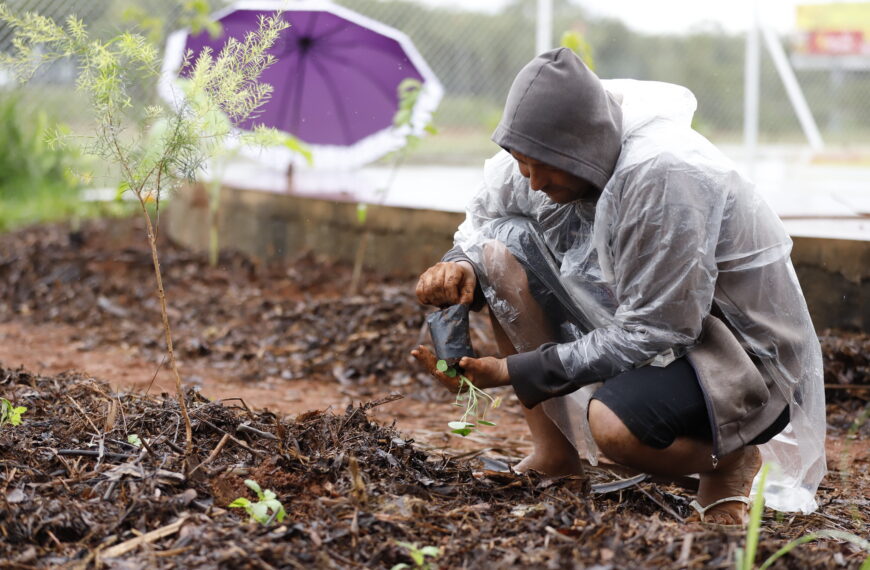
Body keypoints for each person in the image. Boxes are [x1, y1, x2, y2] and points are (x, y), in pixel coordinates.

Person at [412, 48, 826, 525]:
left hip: (732, 351)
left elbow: (656, 328)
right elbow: (482, 225)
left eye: (547, 164)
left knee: (616, 432)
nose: (534, 178)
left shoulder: (662, 177)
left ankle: (731, 461)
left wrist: (511, 371)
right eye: (522, 161)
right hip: (640, 320)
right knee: (494, 253)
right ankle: (555, 454)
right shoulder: (531, 161)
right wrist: (457, 266)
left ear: (584, 144)